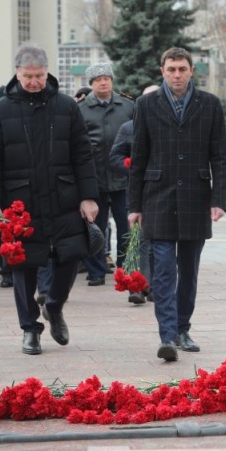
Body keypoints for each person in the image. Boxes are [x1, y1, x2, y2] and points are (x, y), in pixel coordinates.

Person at [0, 43, 99, 356]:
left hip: (63, 197)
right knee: (23, 267)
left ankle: (55, 306)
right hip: (21, 203)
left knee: (71, 256)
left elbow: (82, 153)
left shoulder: (66, 106)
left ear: (48, 72)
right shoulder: (2, 109)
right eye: (28, 75)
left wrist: (88, 196)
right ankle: (30, 329)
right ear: (17, 73)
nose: (34, 81)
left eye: (39, 75)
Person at [128, 47, 226, 362]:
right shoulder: (146, 104)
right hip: (157, 196)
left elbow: (220, 156)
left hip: (196, 197)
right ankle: (167, 336)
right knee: (163, 271)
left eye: (182, 69)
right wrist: (135, 205)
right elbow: (139, 157)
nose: (177, 75)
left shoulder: (209, 104)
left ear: (191, 71)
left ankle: (183, 328)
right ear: (162, 71)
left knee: (189, 269)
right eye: (171, 69)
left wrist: (218, 199)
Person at [78, 61, 135, 289]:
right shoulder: (81, 109)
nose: (103, 82)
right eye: (98, 79)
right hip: (94, 179)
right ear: (91, 83)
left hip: (123, 177)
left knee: (126, 226)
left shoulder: (128, 106)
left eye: (107, 78)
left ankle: (125, 267)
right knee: (95, 228)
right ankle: (96, 271)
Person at [110, 85, 159, 305]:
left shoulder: (174, 127)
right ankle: (138, 286)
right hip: (137, 192)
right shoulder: (129, 128)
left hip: (164, 193)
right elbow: (115, 157)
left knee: (160, 242)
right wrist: (130, 166)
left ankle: (156, 285)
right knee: (138, 241)